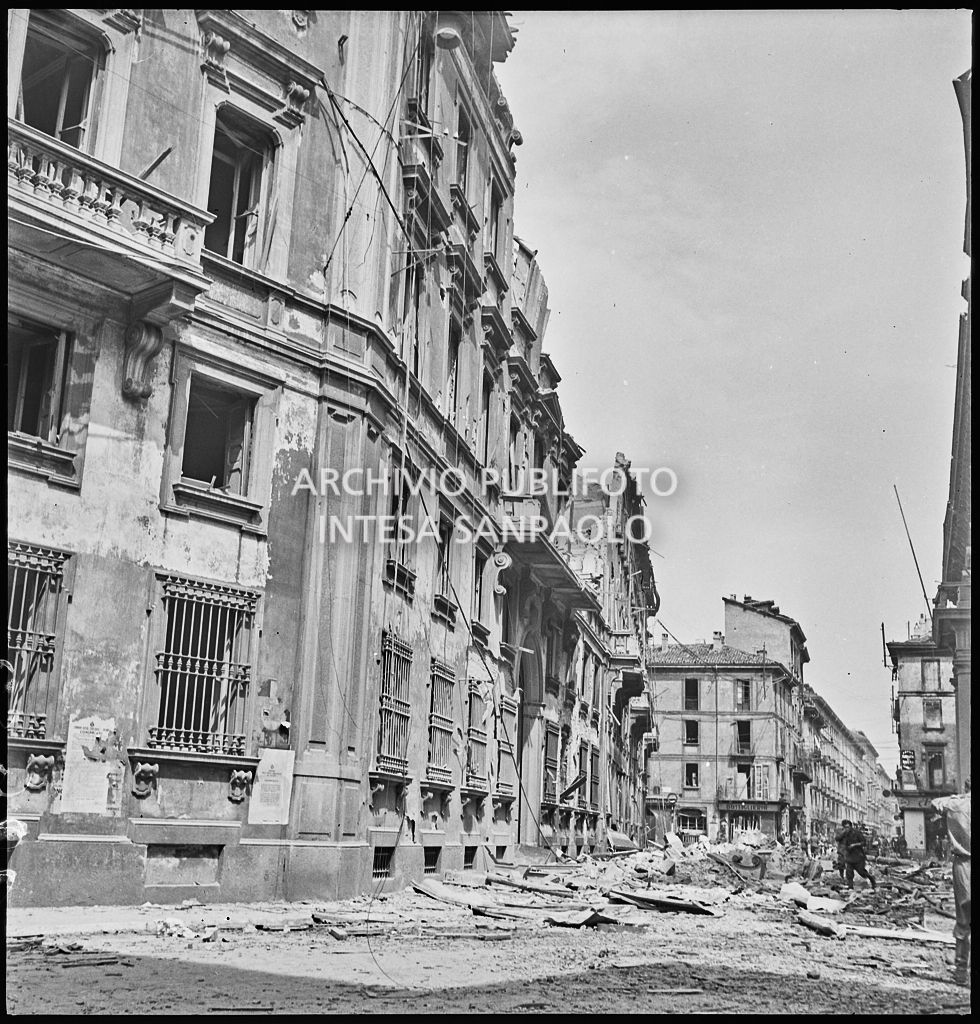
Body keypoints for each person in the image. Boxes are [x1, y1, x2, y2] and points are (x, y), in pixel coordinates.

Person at [932, 780, 971, 987]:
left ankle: (961, 970)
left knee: (964, 918)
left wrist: (959, 798)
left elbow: (935, 802)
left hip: (964, 865)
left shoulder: (956, 804)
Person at [842, 821, 877, 890]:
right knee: (849, 872)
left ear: (851, 827)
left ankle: (872, 880)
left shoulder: (857, 833)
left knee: (861, 872)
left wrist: (854, 845)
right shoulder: (845, 835)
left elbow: (864, 842)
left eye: (848, 827)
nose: (846, 829)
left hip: (858, 856)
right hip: (850, 856)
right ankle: (850, 886)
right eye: (845, 827)